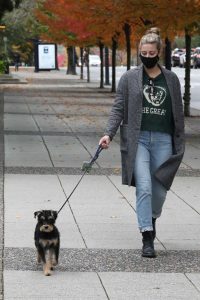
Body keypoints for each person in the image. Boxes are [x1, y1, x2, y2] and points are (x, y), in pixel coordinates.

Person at [99, 28, 185, 258]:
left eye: (151, 52)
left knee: (159, 189)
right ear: (139, 53)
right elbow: (118, 107)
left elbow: (177, 111)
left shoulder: (172, 79)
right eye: (143, 52)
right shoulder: (129, 78)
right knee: (144, 186)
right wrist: (109, 133)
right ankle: (147, 236)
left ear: (159, 52)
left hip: (164, 139)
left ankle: (152, 217)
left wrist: (180, 142)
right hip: (138, 140)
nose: (147, 56)